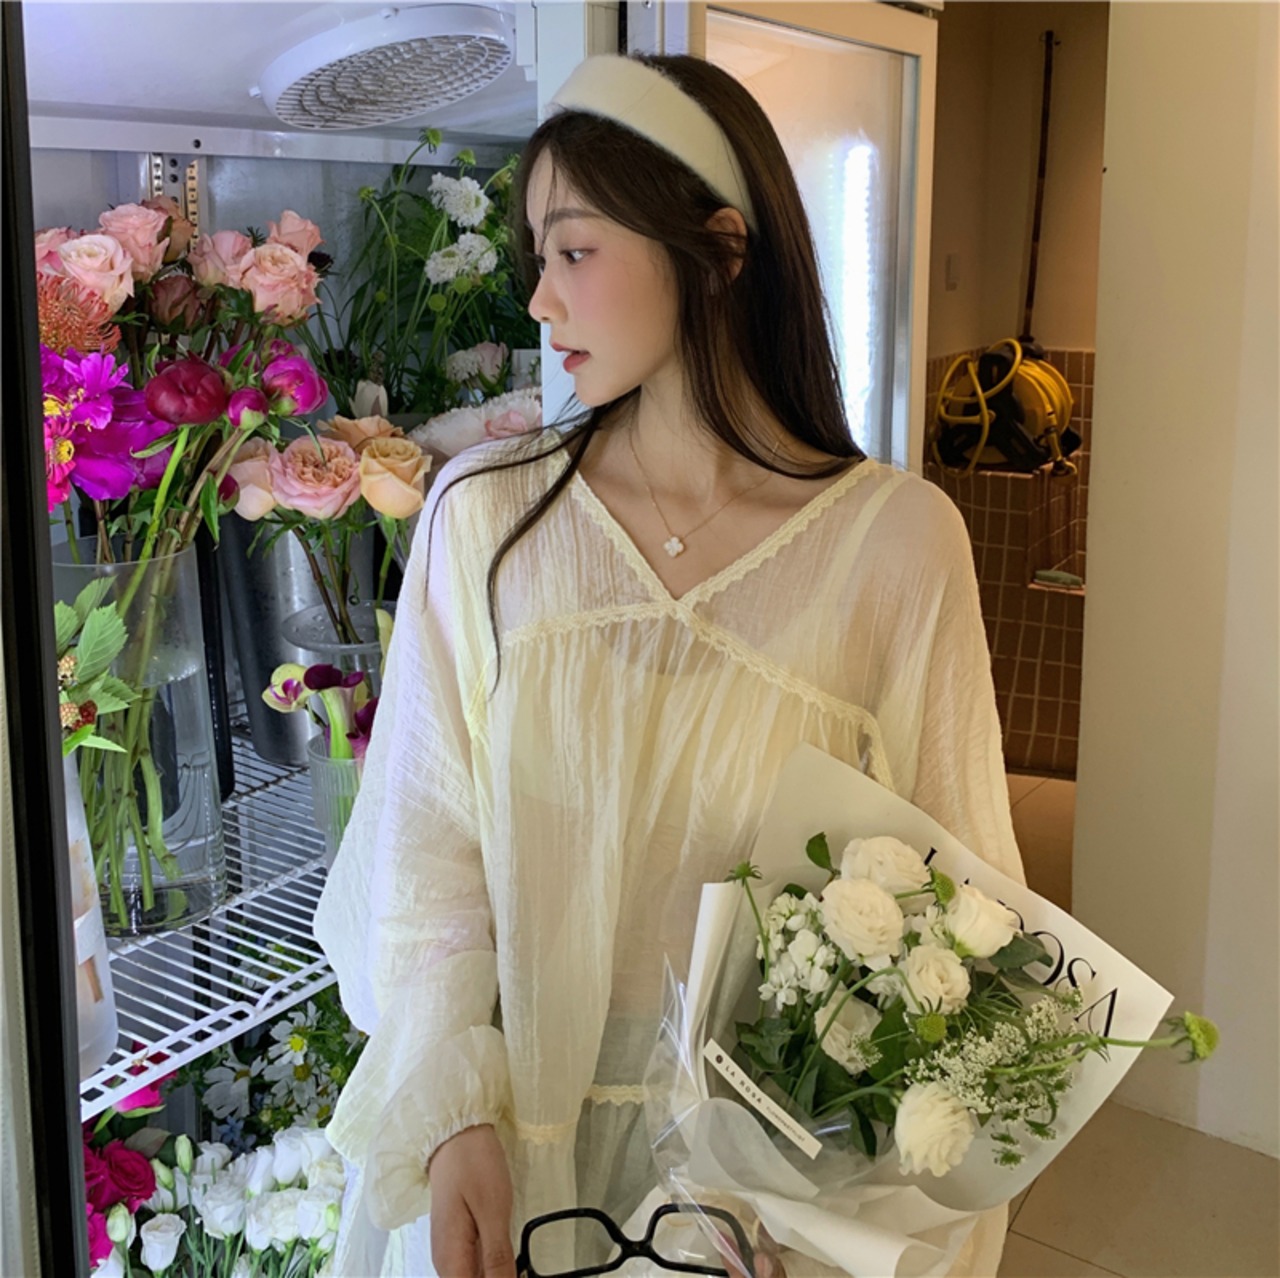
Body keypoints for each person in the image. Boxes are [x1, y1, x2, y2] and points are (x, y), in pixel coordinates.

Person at [314, 52, 1024, 1278]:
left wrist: (801, 1199)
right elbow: (426, 849)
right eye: (536, 255)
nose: (540, 300)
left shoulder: (895, 545)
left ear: (720, 251)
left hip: (765, 1205)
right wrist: (452, 1114)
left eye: (573, 251)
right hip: (507, 1147)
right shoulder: (488, 518)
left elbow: (964, 915)